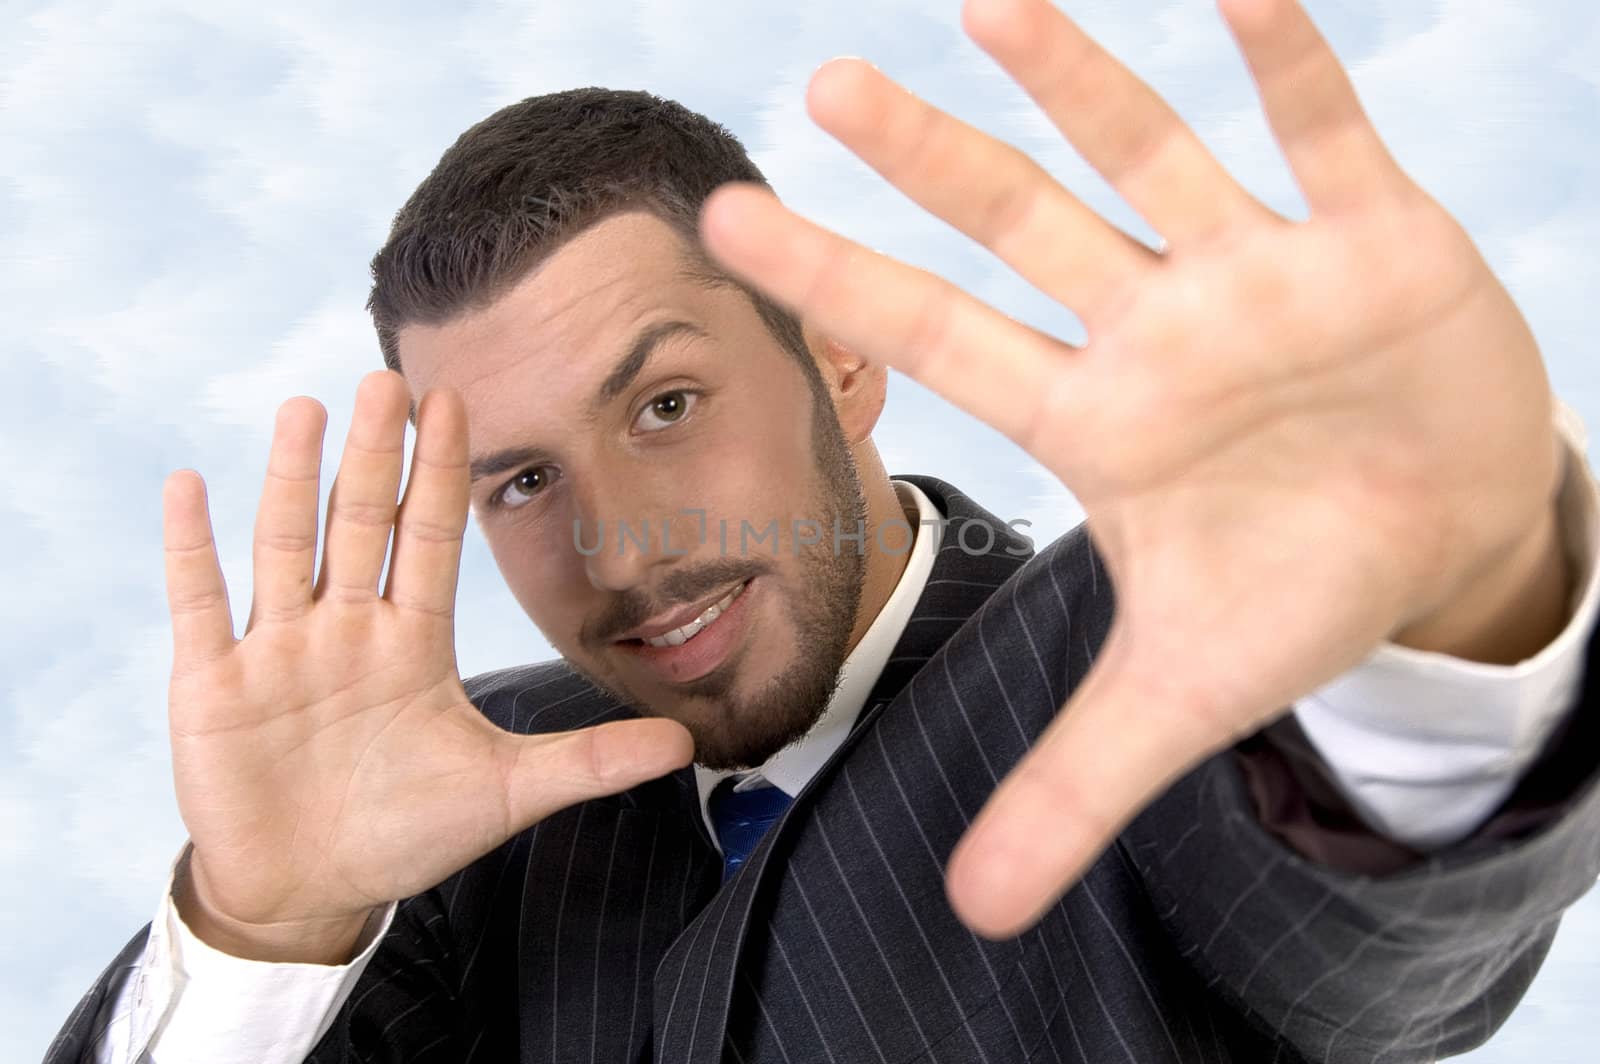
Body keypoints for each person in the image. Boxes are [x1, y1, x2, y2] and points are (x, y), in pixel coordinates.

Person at [44, 0, 1600, 1060]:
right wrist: (263, 922)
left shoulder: (1133, 649)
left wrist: (1451, 589)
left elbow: (1370, 897)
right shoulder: (450, 814)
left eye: (664, 407)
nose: (627, 554)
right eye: (521, 482)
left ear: (839, 360)